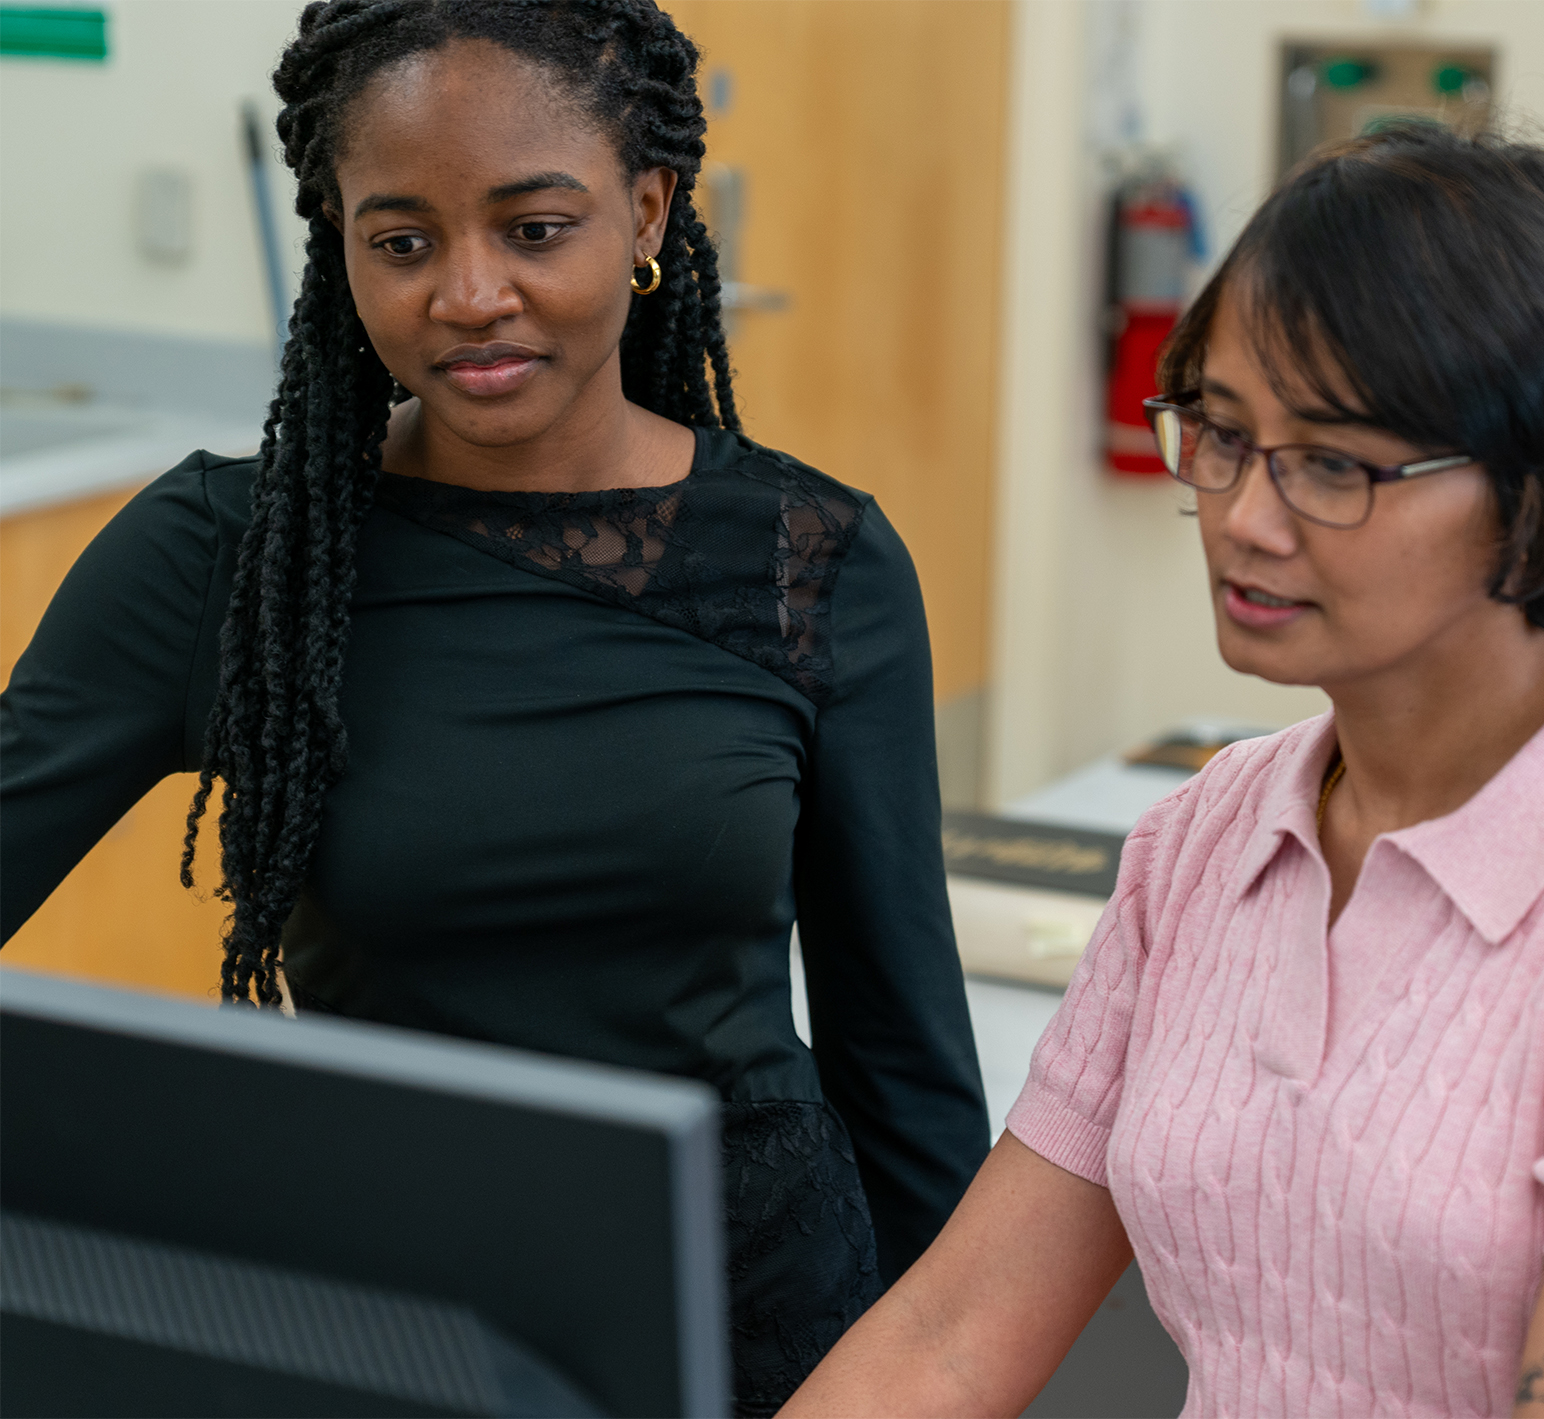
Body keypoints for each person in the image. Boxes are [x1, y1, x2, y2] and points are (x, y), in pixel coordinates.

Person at [0, 2, 989, 1410]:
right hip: (384, 1314)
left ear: (645, 210)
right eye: (401, 241)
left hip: (760, 1324)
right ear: (338, 241)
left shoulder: (810, 559)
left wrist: (942, 1379)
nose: (467, 295)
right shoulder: (229, 558)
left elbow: (903, 1069)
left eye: (533, 229)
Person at [782, 127, 1544, 1418]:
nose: (1245, 518)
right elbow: (955, 1336)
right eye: (1223, 435)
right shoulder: (1208, 836)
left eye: (1332, 464)